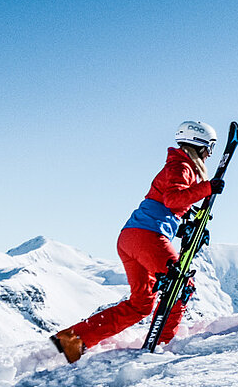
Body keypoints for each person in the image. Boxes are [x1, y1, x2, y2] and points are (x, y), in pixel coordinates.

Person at [50, 121, 225, 362]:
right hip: (147, 236)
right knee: (180, 287)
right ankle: (160, 346)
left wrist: (185, 224)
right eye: (209, 147)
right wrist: (207, 188)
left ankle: (71, 341)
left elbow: (167, 205)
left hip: (131, 236)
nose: (209, 154)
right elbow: (173, 199)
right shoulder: (181, 166)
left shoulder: (178, 166)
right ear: (199, 143)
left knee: (141, 304)